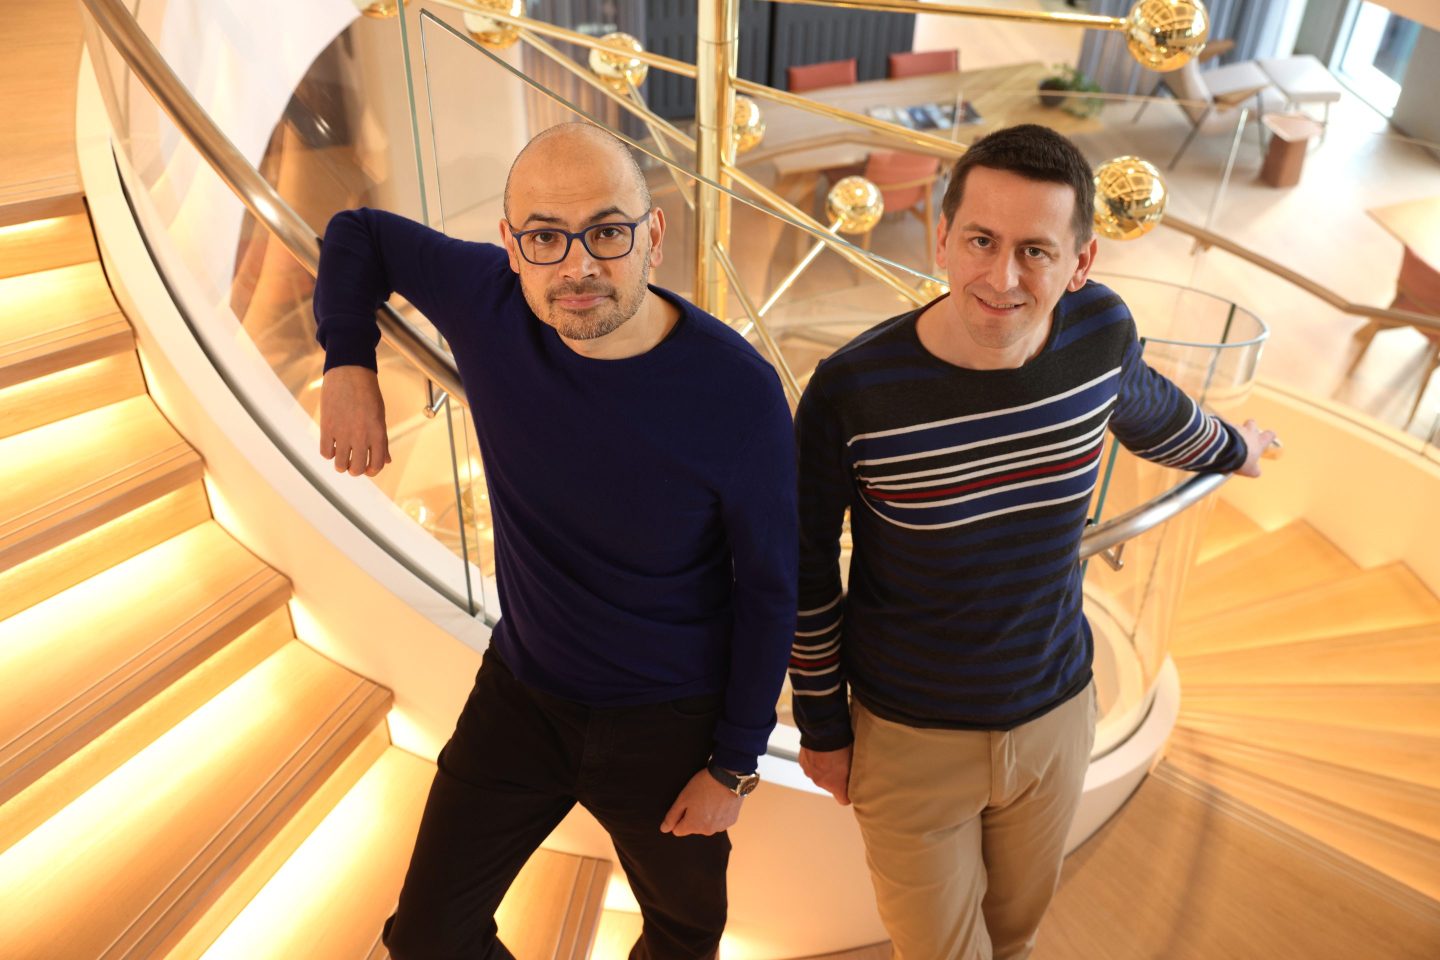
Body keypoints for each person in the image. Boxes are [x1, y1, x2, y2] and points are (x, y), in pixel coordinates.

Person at [789, 124, 1276, 960]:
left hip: (1055, 717)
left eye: (1036, 251)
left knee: (1013, 937)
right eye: (980, 240)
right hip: (908, 737)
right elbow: (801, 568)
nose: (1002, 277)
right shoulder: (852, 391)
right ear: (942, 239)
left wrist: (1237, 448)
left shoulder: (1098, 334)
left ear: (1080, 264)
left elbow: (1154, 412)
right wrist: (823, 725)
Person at [312, 122, 796, 960]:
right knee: (428, 936)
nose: (577, 266)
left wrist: (732, 765)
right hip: (522, 697)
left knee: (684, 936)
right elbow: (360, 233)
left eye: (608, 232)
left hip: (669, 723)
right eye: (545, 237)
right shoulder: (491, 301)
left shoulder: (737, 393)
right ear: (509, 244)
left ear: (654, 234)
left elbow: (769, 589)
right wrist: (347, 361)